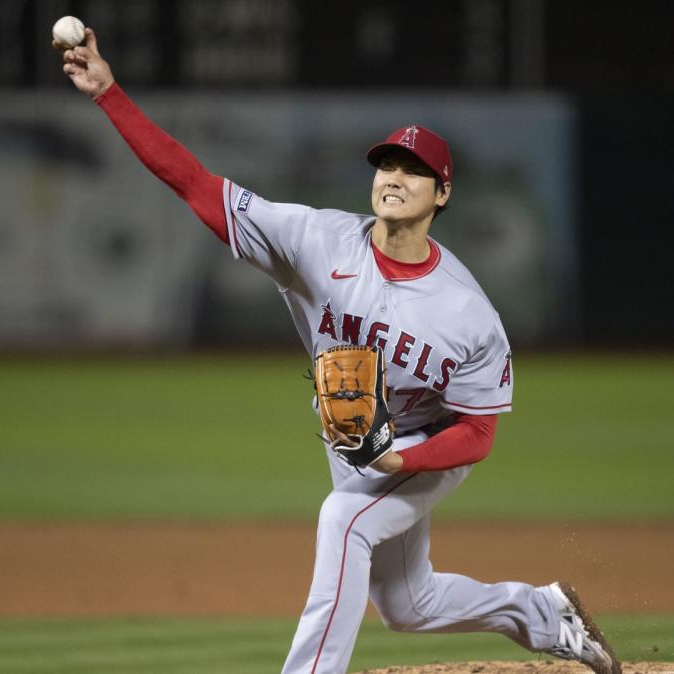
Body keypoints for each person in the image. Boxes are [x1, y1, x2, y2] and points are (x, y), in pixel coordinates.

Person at [57, 28, 621, 674]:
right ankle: (544, 615)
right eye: (387, 164)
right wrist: (109, 94)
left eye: (415, 171)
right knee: (408, 603)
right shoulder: (316, 240)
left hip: (422, 443)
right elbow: (194, 184)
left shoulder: (468, 314)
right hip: (355, 435)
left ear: (442, 195)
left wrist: (400, 457)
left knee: (343, 520)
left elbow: (477, 433)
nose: (395, 177)